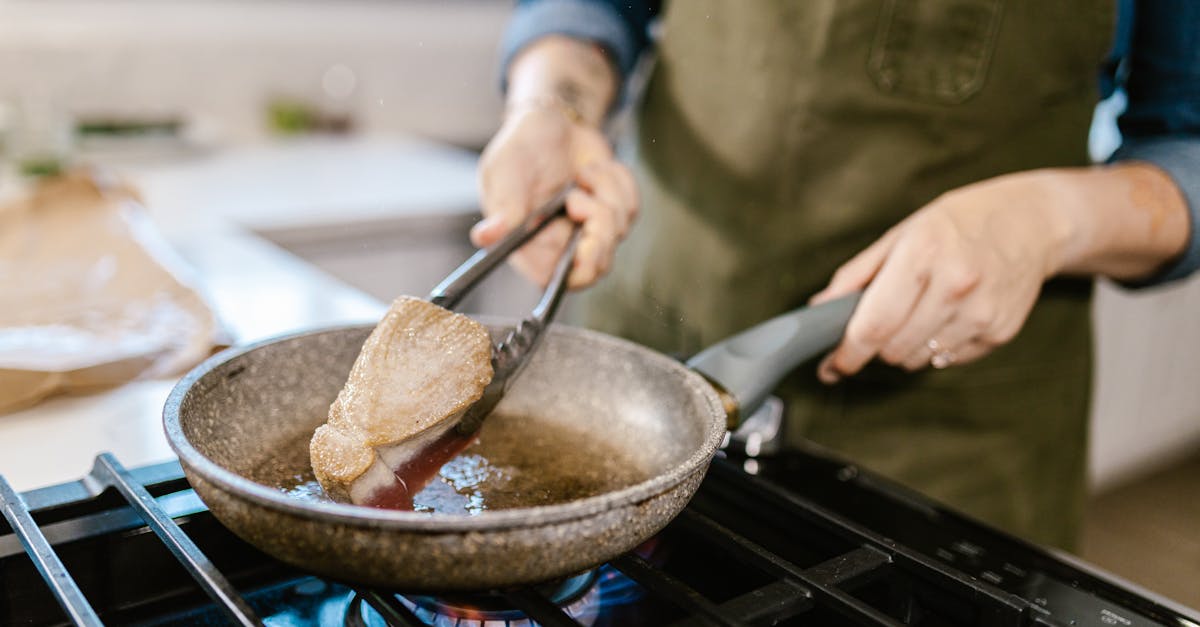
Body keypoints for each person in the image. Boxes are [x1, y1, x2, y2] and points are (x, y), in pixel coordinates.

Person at [474, 0, 1200, 550]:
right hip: (643, 378)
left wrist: (1050, 218)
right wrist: (552, 101)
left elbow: (1186, 143)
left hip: (951, 445)